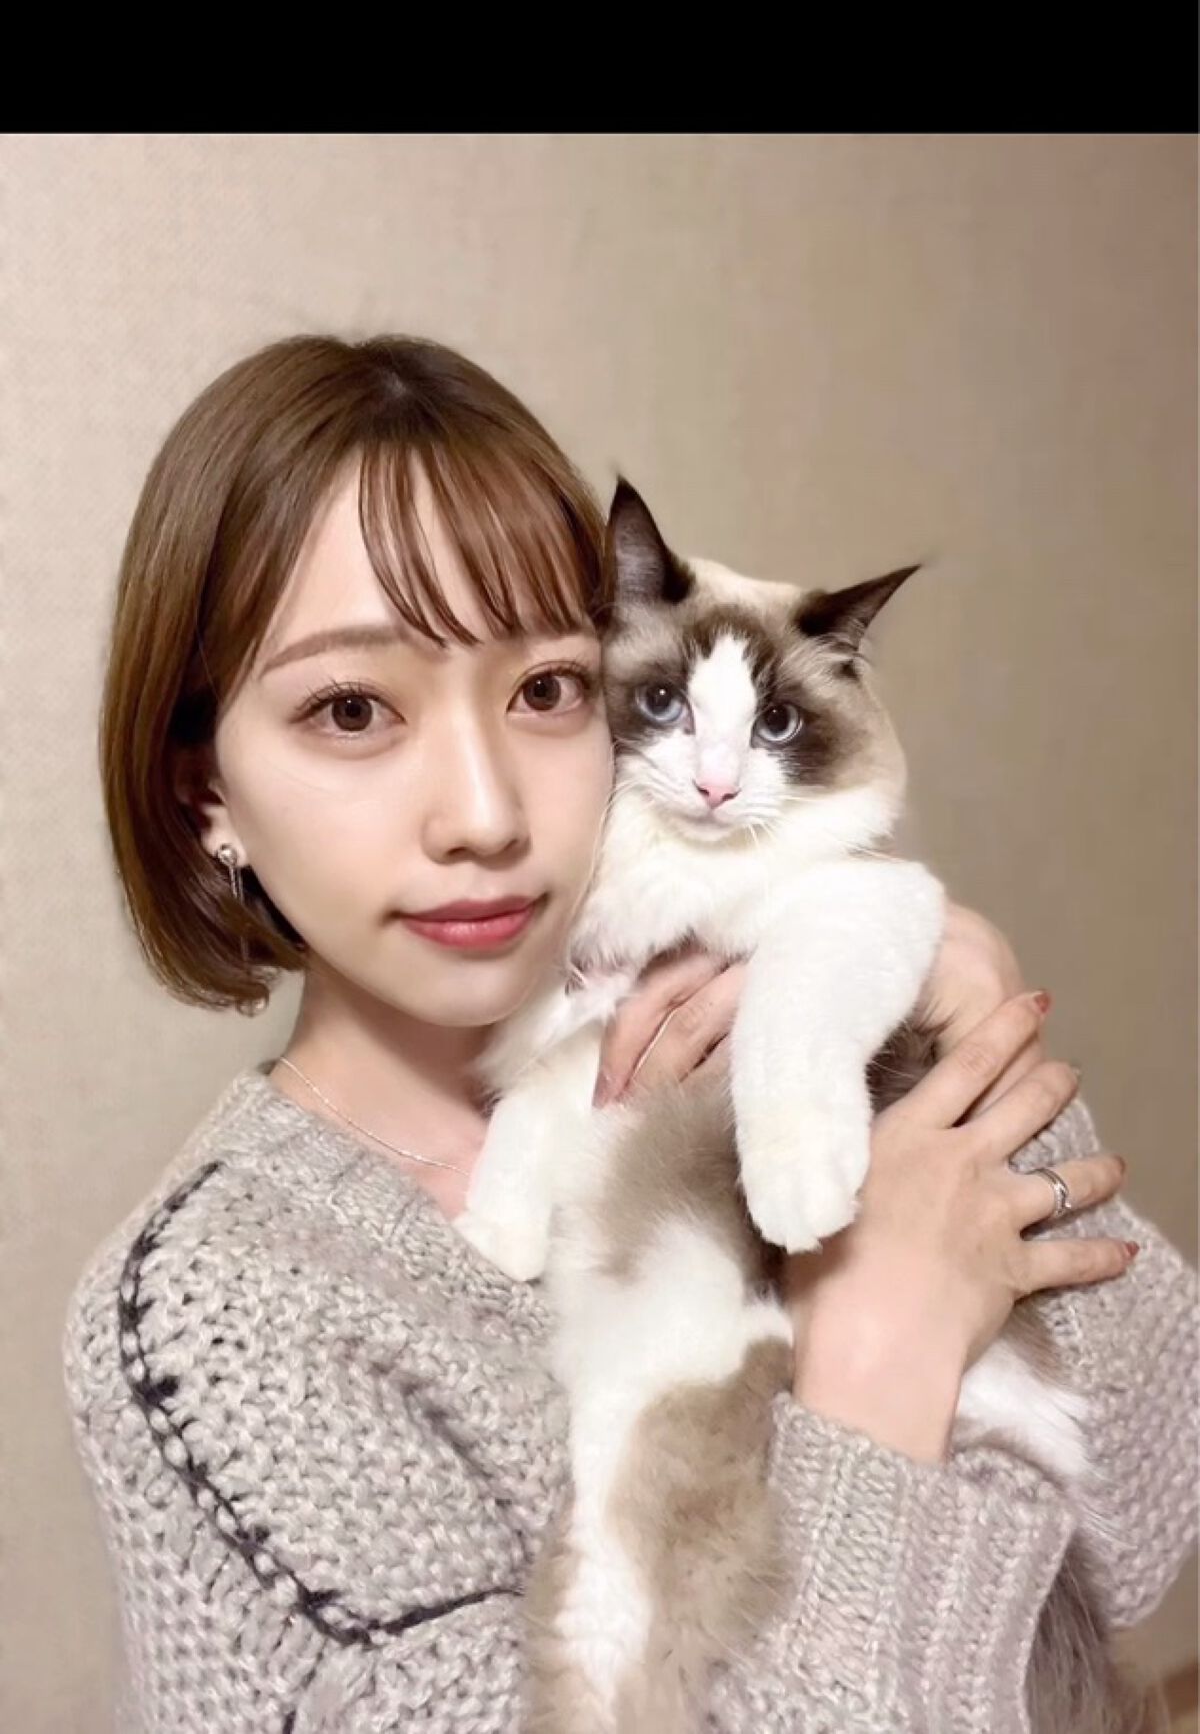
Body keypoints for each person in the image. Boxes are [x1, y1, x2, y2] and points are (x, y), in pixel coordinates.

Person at [62, 333, 1197, 1734]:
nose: (484, 812)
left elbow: (1145, 1528)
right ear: (205, 798)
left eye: (544, 690)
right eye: (352, 709)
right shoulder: (217, 1316)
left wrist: (971, 1034)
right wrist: (869, 1387)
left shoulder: (763, 1035)